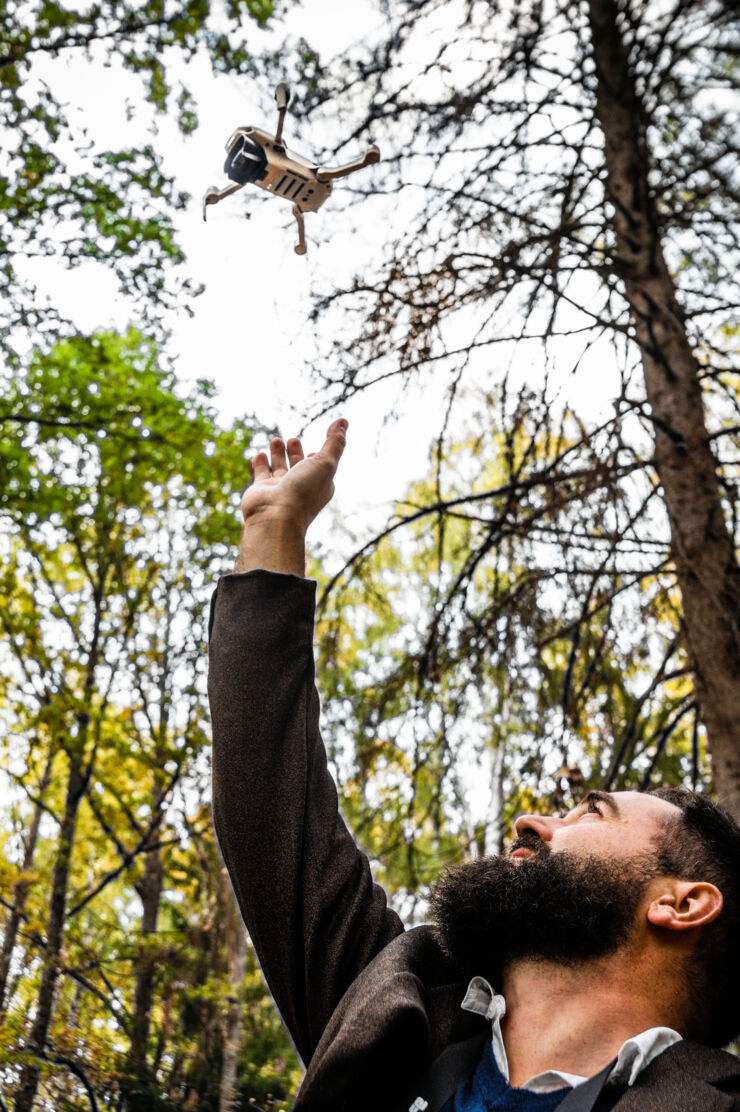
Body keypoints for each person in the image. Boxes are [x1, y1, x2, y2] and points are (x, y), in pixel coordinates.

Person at [208, 420, 740, 1112]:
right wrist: (274, 530)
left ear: (680, 902)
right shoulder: (395, 1009)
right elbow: (271, 816)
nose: (530, 820)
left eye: (590, 812)